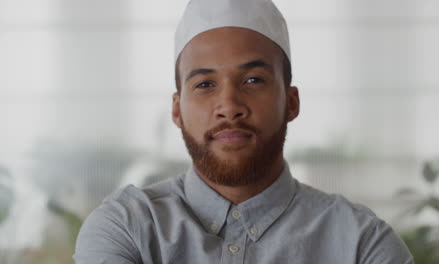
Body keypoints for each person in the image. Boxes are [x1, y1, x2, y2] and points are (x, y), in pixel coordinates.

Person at [73, 0, 414, 263]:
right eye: (205, 84)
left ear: (291, 102)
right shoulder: (126, 228)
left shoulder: (362, 243)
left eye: (253, 80)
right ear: (177, 109)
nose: (229, 105)